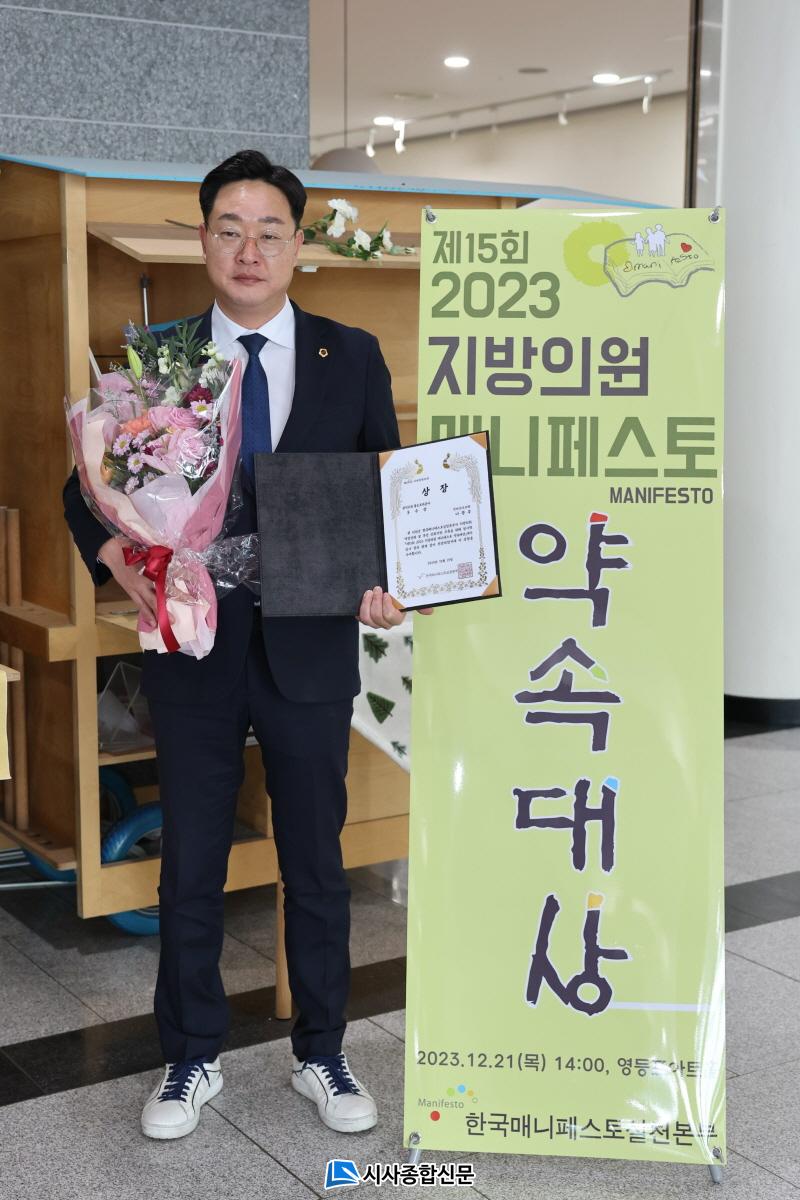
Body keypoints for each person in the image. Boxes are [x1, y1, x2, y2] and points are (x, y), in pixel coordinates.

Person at [63, 149, 425, 1141]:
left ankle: (323, 1052)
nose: (250, 249)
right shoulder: (164, 356)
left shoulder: (350, 354)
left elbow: (382, 489)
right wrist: (115, 556)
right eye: (230, 229)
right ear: (204, 240)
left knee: (315, 859)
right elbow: (82, 486)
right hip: (195, 646)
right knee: (191, 859)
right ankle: (190, 1058)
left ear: (298, 245)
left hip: (311, 643)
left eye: (269, 231)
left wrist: (390, 583)